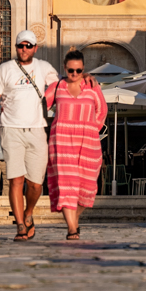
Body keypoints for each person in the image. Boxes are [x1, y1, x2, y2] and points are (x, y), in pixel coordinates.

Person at [0, 30, 60, 241]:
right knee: (16, 179)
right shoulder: (5, 69)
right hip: (10, 129)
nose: (24, 49)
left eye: (28, 46)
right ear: (15, 48)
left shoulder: (44, 68)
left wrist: (84, 81)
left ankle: (28, 212)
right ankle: (21, 226)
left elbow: (61, 88)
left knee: (35, 184)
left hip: (36, 130)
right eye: (20, 46)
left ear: (35, 48)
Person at [43, 49, 108, 240]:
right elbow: (40, 105)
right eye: (71, 70)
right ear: (64, 68)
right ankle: (72, 229)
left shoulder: (92, 86)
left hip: (88, 143)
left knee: (87, 187)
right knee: (66, 185)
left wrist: (90, 129)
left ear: (83, 69)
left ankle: (74, 220)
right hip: (62, 141)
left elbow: (101, 111)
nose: (74, 74)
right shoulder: (57, 86)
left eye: (78, 70)